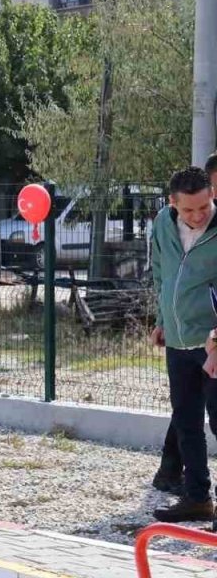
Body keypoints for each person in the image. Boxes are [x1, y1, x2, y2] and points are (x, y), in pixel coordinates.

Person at [149, 167, 217, 523]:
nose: (198, 215)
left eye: (204, 206)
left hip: (214, 345)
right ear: (173, 203)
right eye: (189, 210)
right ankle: (197, 498)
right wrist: (162, 321)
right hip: (178, 342)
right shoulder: (162, 223)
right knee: (187, 423)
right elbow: (161, 272)